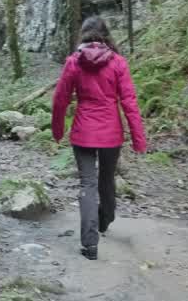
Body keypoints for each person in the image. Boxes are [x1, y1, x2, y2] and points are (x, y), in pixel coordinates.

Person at [51, 16, 147, 260]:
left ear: (83, 35)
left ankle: (89, 245)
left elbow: (60, 99)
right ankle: (105, 220)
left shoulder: (74, 62)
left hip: (83, 132)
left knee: (87, 184)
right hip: (111, 133)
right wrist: (138, 138)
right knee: (106, 178)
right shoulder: (118, 63)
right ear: (107, 35)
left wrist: (58, 129)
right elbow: (129, 102)